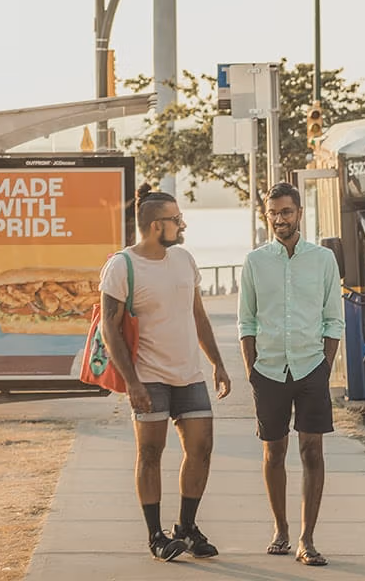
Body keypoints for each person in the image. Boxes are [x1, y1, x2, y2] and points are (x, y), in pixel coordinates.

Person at [99, 183, 233, 562]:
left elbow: (198, 315)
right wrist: (133, 382)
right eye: (176, 220)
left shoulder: (185, 260)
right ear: (157, 226)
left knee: (201, 449)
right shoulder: (121, 266)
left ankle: (186, 528)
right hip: (148, 376)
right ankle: (156, 535)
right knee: (151, 453)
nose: (182, 225)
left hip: (189, 373)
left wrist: (217, 363)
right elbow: (110, 328)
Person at [238, 182, 346, 567]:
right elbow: (246, 322)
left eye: (286, 212)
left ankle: (307, 539)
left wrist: (325, 366)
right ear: (266, 216)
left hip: (310, 367)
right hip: (268, 371)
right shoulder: (255, 261)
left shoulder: (322, 260)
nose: (280, 219)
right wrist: (251, 371)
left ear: (299, 212)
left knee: (311, 450)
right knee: (274, 452)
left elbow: (334, 320)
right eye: (273, 213)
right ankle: (280, 529)